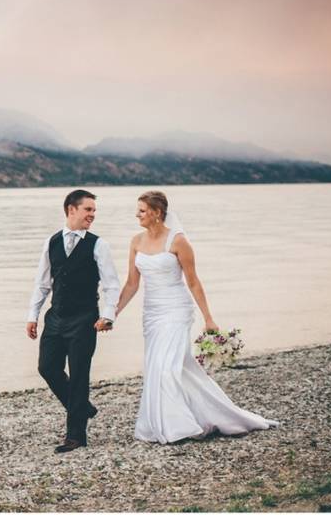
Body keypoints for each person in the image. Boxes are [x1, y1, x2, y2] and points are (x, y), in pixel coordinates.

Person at [115, 190, 278, 443]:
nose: (137, 214)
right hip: (152, 314)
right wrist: (111, 314)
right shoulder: (136, 241)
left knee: (167, 367)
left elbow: (193, 283)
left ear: (157, 213)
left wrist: (208, 319)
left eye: (142, 210)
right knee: (165, 367)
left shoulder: (178, 242)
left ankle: (178, 428)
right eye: (138, 210)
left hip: (177, 310)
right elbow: (131, 285)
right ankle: (199, 416)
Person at [27, 189, 120, 453]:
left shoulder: (99, 245)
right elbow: (42, 284)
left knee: (79, 375)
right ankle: (83, 408)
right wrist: (32, 316)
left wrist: (108, 315)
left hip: (84, 319)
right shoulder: (51, 242)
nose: (92, 215)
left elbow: (112, 285)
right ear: (71, 210)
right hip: (55, 317)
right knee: (47, 368)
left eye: (94, 211)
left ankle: (76, 436)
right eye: (88, 209)